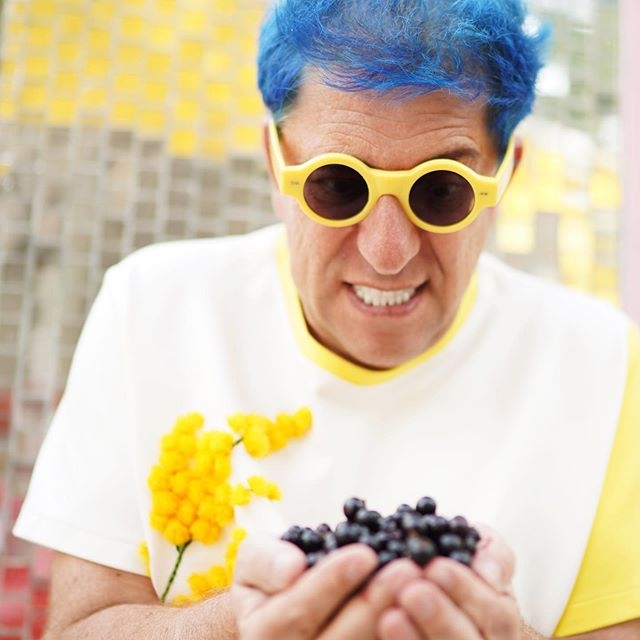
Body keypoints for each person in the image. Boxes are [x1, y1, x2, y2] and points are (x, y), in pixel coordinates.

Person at [13, 0, 639, 638]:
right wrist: (231, 625)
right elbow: (77, 628)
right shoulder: (150, 309)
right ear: (274, 160)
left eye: (440, 190)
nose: (387, 253)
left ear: (505, 177)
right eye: (338, 184)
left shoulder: (603, 365)